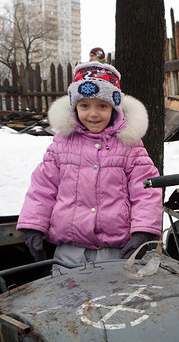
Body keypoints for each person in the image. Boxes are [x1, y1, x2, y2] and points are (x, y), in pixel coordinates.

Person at [17, 61, 162, 266]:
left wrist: (143, 231)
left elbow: (146, 190)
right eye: (85, 105)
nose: (93, 114)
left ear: (114, 108)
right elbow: (42, 187)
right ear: (75, 107)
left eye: (102, 106)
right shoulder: (61, 145)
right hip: (68, 250)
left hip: (115, 252)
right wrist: (33, 225)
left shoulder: (130, 147)